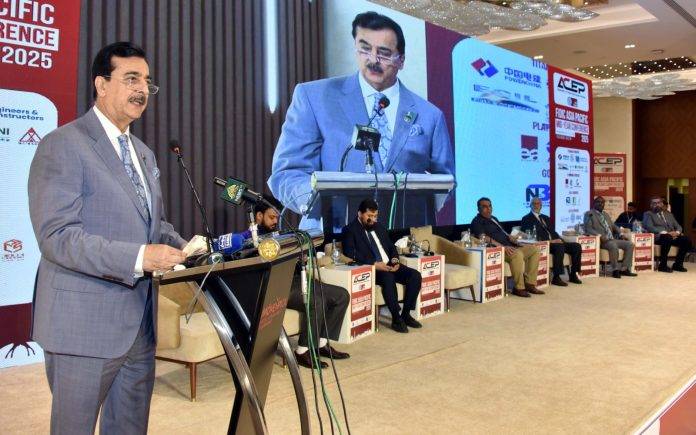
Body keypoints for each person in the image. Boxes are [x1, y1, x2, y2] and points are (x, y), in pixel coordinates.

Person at [28, 42, 191, 434]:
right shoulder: (62, 144)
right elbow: (58, 237)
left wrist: (189, 247)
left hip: (140, 327)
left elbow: (154, 225)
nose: (142, 90)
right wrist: (139, 258)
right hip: (82, 325)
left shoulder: (144, 154)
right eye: (131, 79)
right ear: (101, 84)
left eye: (146, 82)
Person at [269, 11, 454, 229]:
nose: (373, 60)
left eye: (384, 53)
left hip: (402, 238)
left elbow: (445, 183)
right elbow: (287, 173)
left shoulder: (430, 115)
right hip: (332, 237)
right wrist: (321, 200)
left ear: (401, 60)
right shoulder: (314, 97)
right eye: (365, 49)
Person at [248, 198, 351, 368]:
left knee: (342, 295)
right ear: (259, 216)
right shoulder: (250, 240)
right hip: (278, 286)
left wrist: (299, 258)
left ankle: (321, 344)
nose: (275, 221)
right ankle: (302, 351)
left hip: (297, 279)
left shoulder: (281, 235)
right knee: (317, 301)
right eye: (271, 217)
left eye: (277, 218)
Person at [342, 199, 422, 333]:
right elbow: (350, 253)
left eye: (375, 216)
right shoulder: (349, 230)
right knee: (388, 278)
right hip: (373, 268)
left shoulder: (379, 227)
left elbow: (391, 247)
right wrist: (374, 264)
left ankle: (406, 314)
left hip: (389, 264)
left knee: (415, 275)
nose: (372, 219)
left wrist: (395, 261)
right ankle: (396, 319)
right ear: (360, 214)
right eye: (369, 216)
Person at [470, 197, 542, 298]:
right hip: (498, 250)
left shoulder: (494, 218)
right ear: (479, 209)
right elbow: (483, 237)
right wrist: (503, 247)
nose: (488, 208)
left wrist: (512, 238)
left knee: (535, 250)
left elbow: (502, 233)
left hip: (511, 245)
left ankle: (530, 284)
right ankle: (519, 288)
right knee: (517, 254)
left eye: (490, 206)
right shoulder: (477, 221)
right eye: (485, 206)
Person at [521, 197, 582, 286]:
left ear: (541, 206)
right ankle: (556, 277)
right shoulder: (526, 218)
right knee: (559, 247)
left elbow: (553, 232)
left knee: (576, 246)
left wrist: (560, 239)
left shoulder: (546, 218)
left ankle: (573, 274)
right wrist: (551, 241)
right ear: (530, 205)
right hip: (544, 244)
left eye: (538, 204)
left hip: (556, 242)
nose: (536, 205)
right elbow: (530, 236)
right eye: (534, 203)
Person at [584, 196, 637, 278]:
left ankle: (624, 269)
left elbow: (613, 226)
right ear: (594, 203)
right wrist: (600, 236)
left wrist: (621, 234)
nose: (601, 204)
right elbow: (588, 228)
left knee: (630, 244)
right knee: (613, 245)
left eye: (602, 202)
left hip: (612, 239)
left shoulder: (605, 214)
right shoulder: (589, 214)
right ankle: (615, 270)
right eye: (598, 202)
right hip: (602, 240)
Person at [643, 196, 692, 272]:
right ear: (651, 205)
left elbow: (678, 226)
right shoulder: (648, 214)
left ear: (662, 204)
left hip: (672, 236)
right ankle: (662, 265)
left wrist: (677, 232)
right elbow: (649, 227)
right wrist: (666, 233)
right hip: (659, 237)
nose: (657, 205)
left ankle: (678, 264)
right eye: (654, 203)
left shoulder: (669, 214)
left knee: (686, 240)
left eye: (659, 203)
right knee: (667, 237)